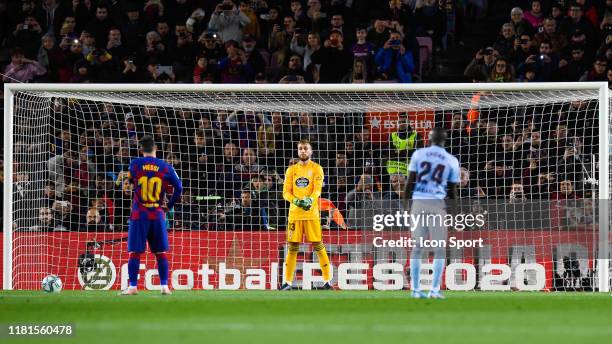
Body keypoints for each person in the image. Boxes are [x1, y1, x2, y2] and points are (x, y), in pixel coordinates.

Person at [120, 136, 183, 296]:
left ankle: (133, 287)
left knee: (134, 252)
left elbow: (129, 183)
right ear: (156, 148)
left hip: (139, 214)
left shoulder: (135, 164)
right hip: (157, 214)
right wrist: (168, 206)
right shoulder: (165, 166)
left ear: (141, 149)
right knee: (160, 252)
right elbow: (179, 187)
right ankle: (164, 287)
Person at [403, 128, 459, 299]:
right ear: (445, 140)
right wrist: (455, 215)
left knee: (417, 247)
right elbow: (452, 191)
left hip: (418, 204)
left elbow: (409, 183)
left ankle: (415, 290)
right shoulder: (451, 160)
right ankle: (434, 289)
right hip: (437, 205)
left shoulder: (418, 155)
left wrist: (406, 205)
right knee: (439, 249)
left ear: (429, 139)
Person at [281, 139, 331, 290]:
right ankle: (288, 282)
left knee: (318, 245)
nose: (303, 151)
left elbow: (317, 190)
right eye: (300, 148)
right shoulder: (291, 170)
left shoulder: (317, 168)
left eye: (305, 148)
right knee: (292, 247)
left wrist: (309, 199)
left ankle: (327, 281)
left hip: (311, 215)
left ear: (311, 151)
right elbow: (285, 193)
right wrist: (296, 201)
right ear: (298, 151)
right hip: (295, 215)